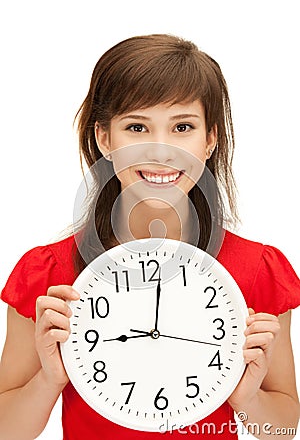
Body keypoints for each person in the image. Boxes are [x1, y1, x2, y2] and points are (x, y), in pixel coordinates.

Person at [0, 34, 299, 440]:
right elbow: (7, 430)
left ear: (210, 140)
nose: (161, 151)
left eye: (183, 127)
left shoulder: (257, 269)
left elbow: (281, 429)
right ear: (104, 138)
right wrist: (51, 379)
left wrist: (246, 398)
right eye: (137, 126)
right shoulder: (47, 273)